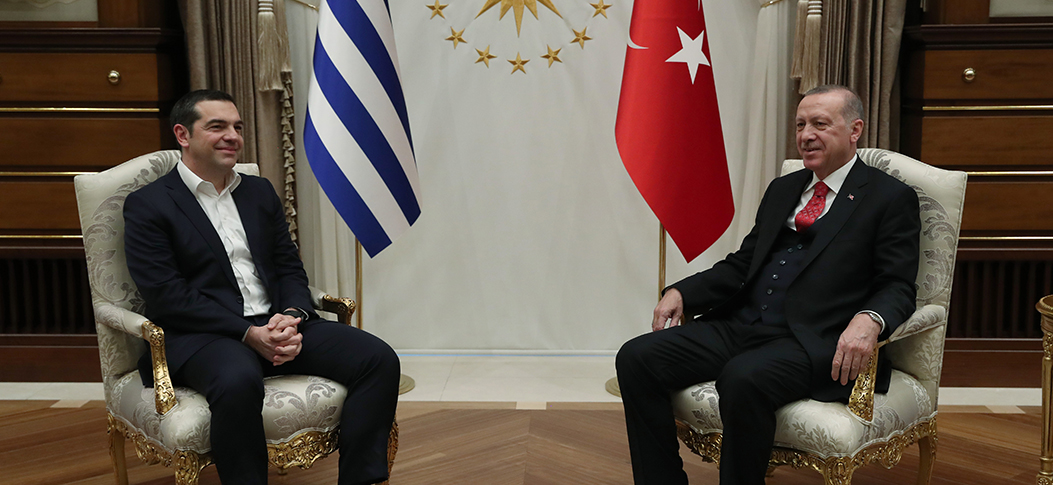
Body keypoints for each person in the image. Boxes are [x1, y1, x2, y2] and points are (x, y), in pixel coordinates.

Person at [616, 85, 921, 485]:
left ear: (855, 130)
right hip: (741, 324)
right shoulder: (784, 188)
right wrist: (683, 292)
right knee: (637, 357)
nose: (806, 135)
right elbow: (744, 264)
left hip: (812, 338)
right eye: (800, 125)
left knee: (743, 378)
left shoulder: (889, 198)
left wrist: (870, 319)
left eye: (819, 124)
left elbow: (898, 284)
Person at [124, 89, 400, 485]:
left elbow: (289, 267)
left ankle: (361, 480)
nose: (232, 136)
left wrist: (290, 316)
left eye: (237, 127)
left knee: (377, 358)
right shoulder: (149, 204)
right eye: (217, 126)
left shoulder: (258, 191)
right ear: (183, 135)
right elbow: (167, 294)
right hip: (205, 335)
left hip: (274, 323)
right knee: (237, 380)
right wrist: (247, 333)